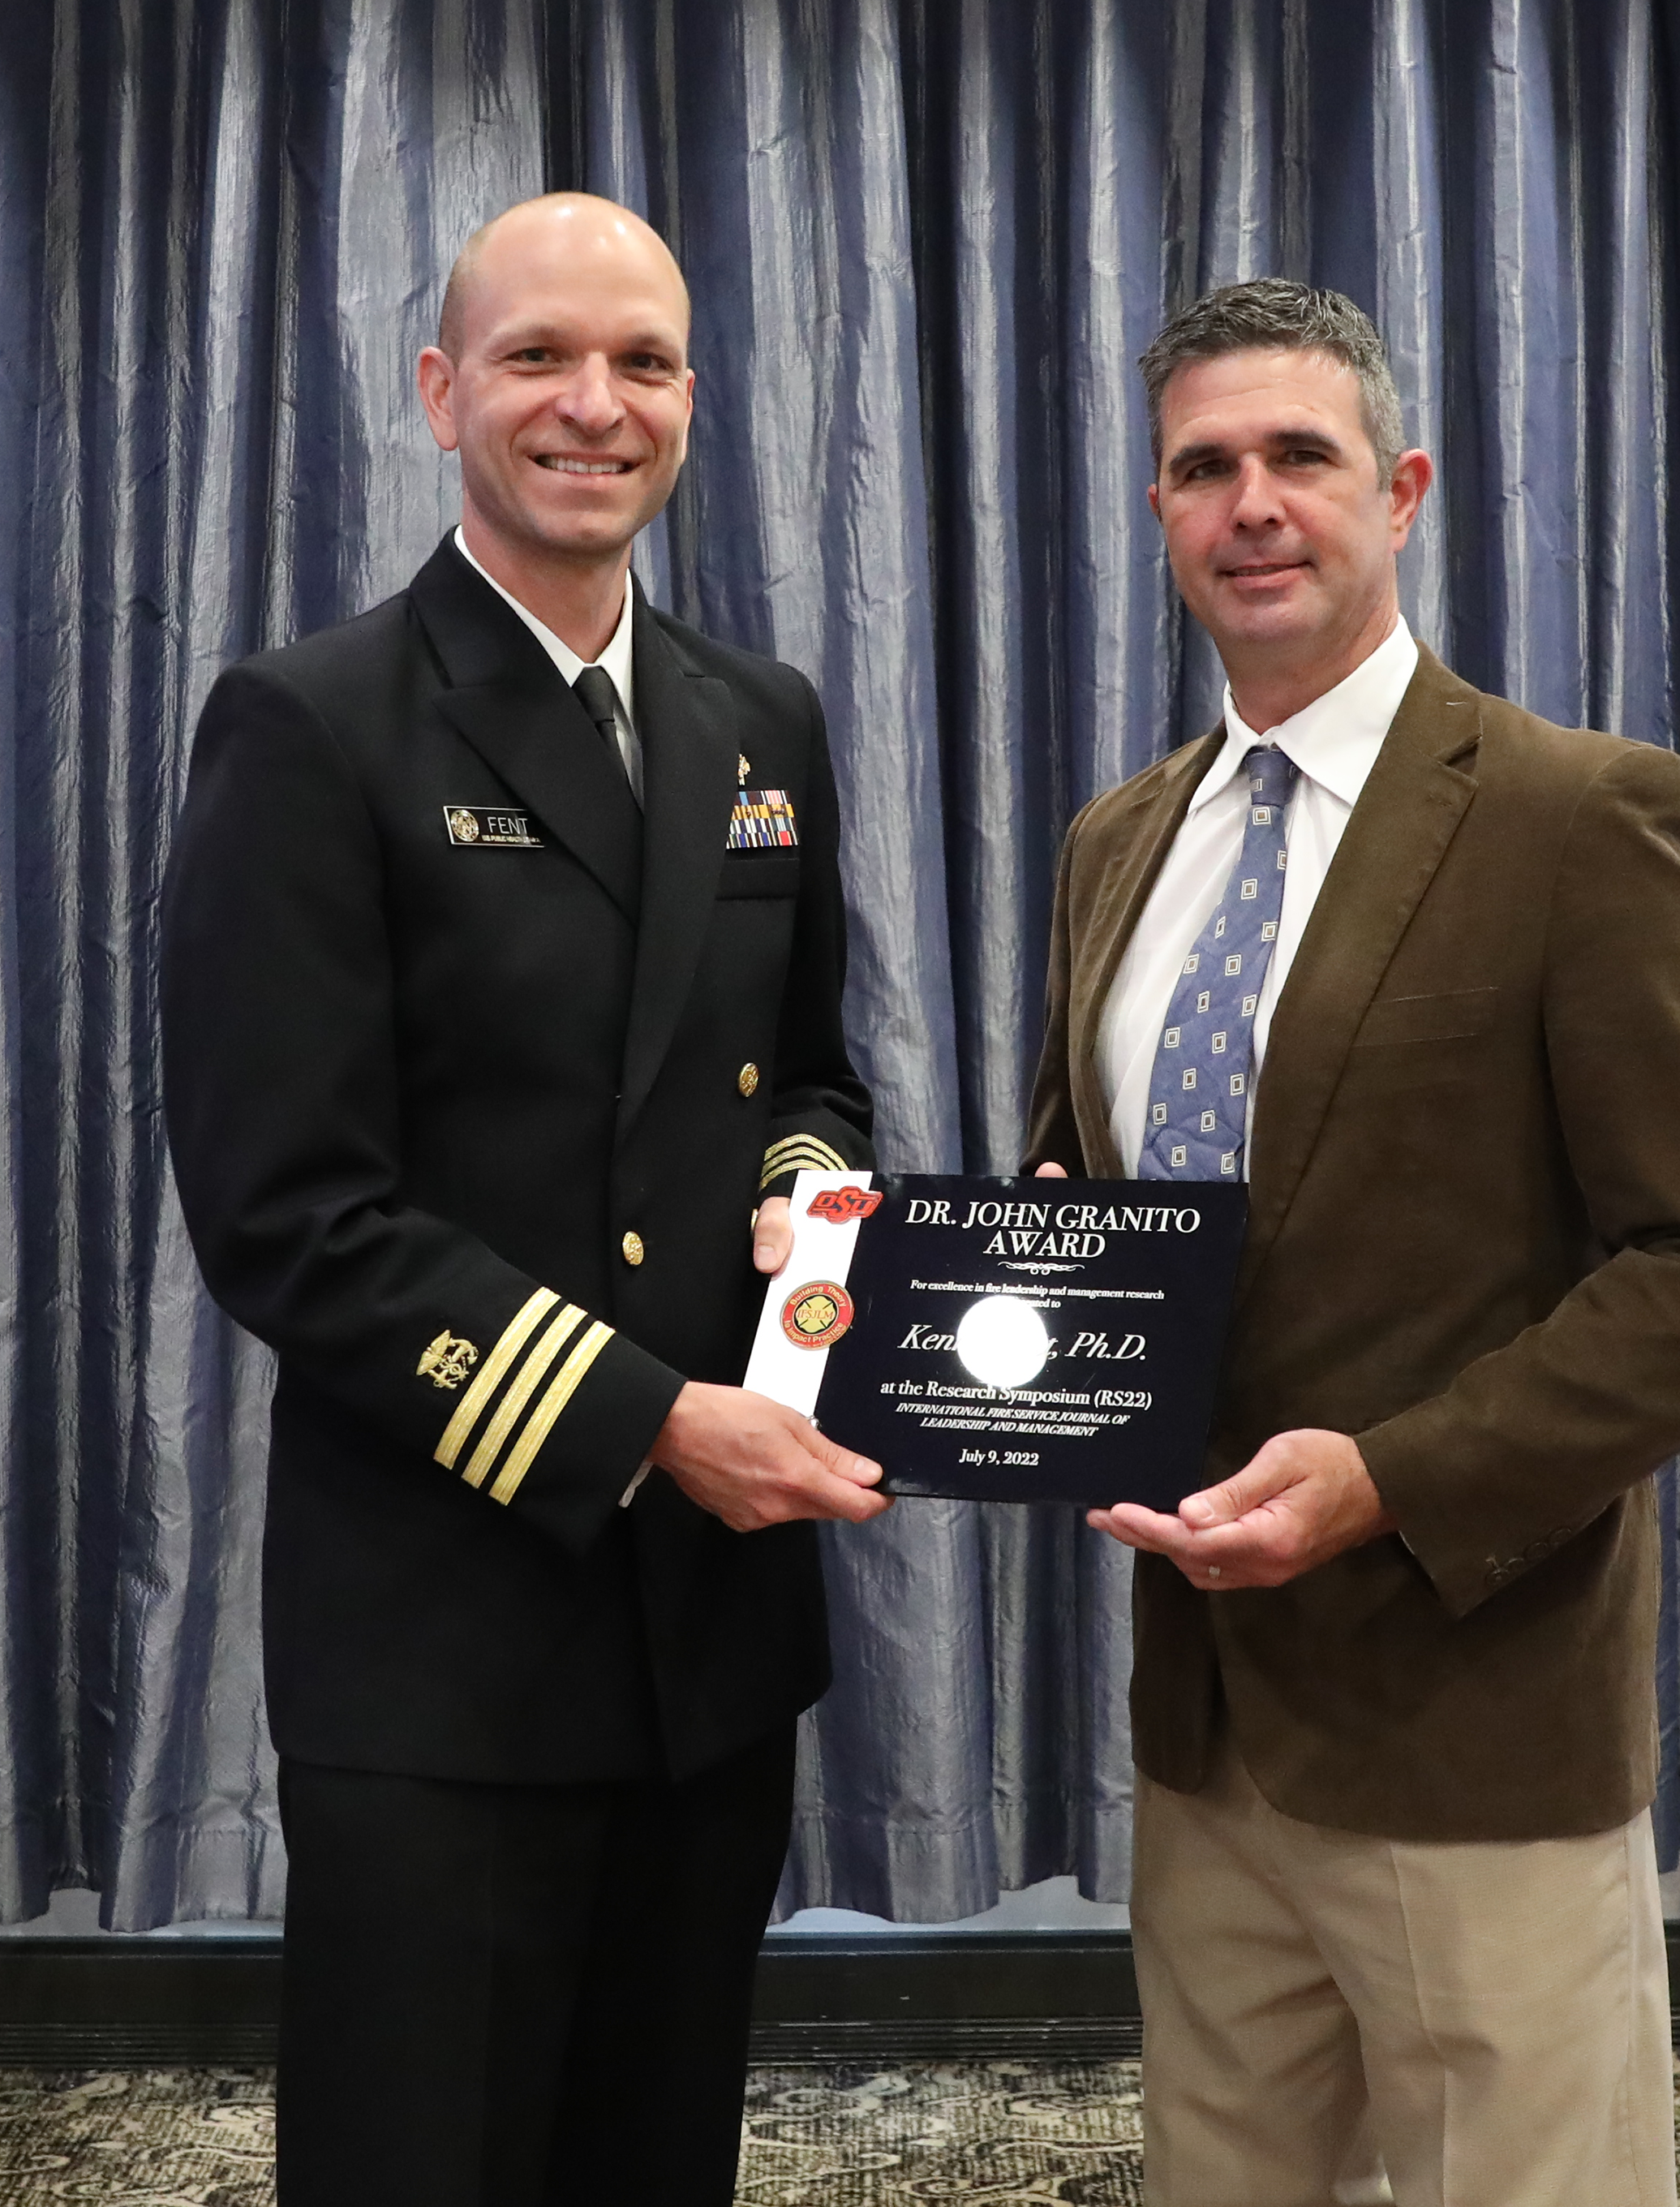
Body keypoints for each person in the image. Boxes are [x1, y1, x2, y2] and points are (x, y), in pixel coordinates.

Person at [1024, 280, 1680, 2207]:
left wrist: (1387, 1479)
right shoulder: (1120, 841)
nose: (1253, 505)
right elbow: (1089, 1199)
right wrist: (998, 1303)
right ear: (1158, 514)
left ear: (1403, 488)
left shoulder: (1576, 817)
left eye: (1299, 456)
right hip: (1207, 1737)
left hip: (1477, 1731)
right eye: (1204, 467)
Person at [160, 193, 887, 2207]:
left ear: (692, 401)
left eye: (643, 361)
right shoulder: (314, 728)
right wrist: (656, 1422)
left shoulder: (764, 721)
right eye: (537, 358)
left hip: (710, 1642)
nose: (595, 404)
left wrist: (814, 1228)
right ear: (437, 391)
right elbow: (289, 1214)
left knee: (652, 2163)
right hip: (449, 1644)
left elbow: (809, 1075)